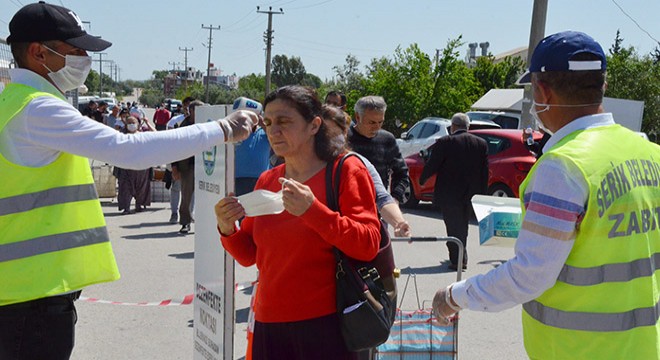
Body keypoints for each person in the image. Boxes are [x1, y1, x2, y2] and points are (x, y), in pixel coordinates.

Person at [0, 3, 258, 359]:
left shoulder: (11, 103)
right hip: (30, 305)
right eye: (75, 50)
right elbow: (128, 149)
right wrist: (221, 129)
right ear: (38, 52)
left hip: (20, 297)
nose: (84, 58)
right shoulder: (38, 109)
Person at [432, 31, 660, 359]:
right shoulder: (649, 153)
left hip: (578, 350)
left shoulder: (563, 166)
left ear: (542, 91)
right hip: (641, 348)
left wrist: (456, 295)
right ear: (603, 86)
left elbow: (530, 274)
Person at [215, 85, 381, 359]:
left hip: (327, 326)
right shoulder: (268, 180)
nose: (273, 130)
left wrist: (312, 211)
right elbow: (249, 256)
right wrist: (226, 227)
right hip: (269, 323)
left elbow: (367, 244)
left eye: (284, 121)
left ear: (314, 125)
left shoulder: (346, 170)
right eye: (268, 122)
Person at [322, 104, 411, 237]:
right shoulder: (299, 163)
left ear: (345, 134)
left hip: (347, 237)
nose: (333, 138)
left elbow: (381, 196)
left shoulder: (357, 163)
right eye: (326, 133)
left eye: (339, 133)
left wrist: (398, 221)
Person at [419, 112, 488, 270]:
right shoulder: (481, 143)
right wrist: (482, 195)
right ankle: (462, 256)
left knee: (452, 227)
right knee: (463, 226)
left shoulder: (445, 142)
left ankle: (457, 260)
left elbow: (433, 164)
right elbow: (485, 171)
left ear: (453, 126)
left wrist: (422, 179)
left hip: (449, 194)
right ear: (468, 127)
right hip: (471, 194)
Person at [347, 96, 410, 205]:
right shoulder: (344, 138)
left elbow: (402, 173)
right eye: (371, 122)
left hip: (378, 210)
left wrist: (395, 198)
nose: (376, 127)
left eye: (380, 122)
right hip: (347, 207)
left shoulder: (387, 139)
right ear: (357, 117)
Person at [171, 100, 205, 234]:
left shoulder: (206, 125)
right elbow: (175, 148)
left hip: (205, 165)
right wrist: (174, 168)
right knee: (186, 196)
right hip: (187, 166)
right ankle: (185, 222)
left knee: (206, 196)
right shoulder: (182, 127)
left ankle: (204, 223)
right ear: (191, 111)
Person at [115, 116, 153, 214]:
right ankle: (126, 207)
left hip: (141, 167)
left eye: (133, 122)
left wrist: (148, 123)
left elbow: (156, 135)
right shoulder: (121, 136)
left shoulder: (143, 135)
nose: (131, 125)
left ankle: (139, 205)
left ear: (138, 124)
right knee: (125, 187)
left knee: (142, 187)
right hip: (125, 167)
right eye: (129, 123)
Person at [235, 126, 272, 196]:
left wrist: (262, 123)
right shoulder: (239, 131)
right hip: (238, 180)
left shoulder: (264, 131)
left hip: (261, 180)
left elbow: (273, 136)